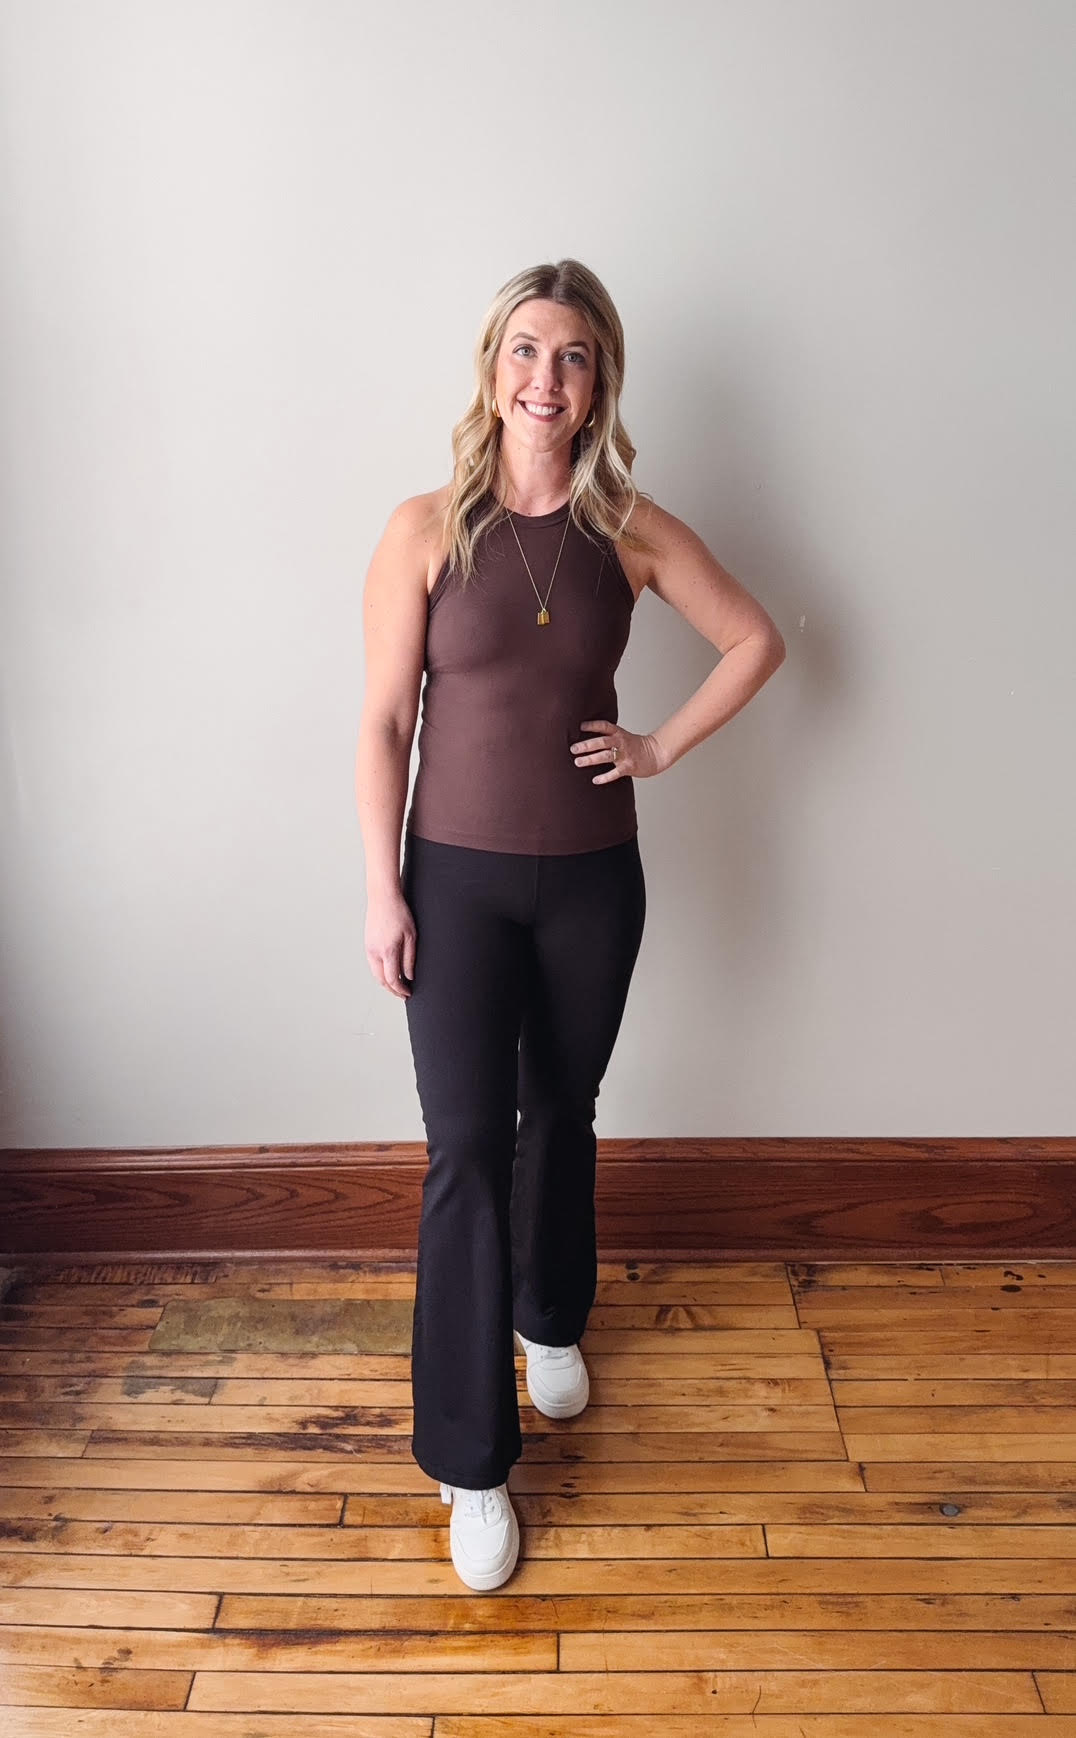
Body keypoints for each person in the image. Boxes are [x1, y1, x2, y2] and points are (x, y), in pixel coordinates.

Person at [355, 258, 785, 1591]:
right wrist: (381, 886)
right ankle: (471, 1463)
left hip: (595, 885)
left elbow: (756, 639)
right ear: (494, 372)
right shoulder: (425, 529)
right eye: (527, 350)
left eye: (575, 356)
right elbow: (384, 721)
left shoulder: (632, 531)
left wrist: (655, 746)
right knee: (465, 1150)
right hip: (456, 887)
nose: (547, 377)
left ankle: (550, 1318)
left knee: (565, 1111)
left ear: (599, 385)